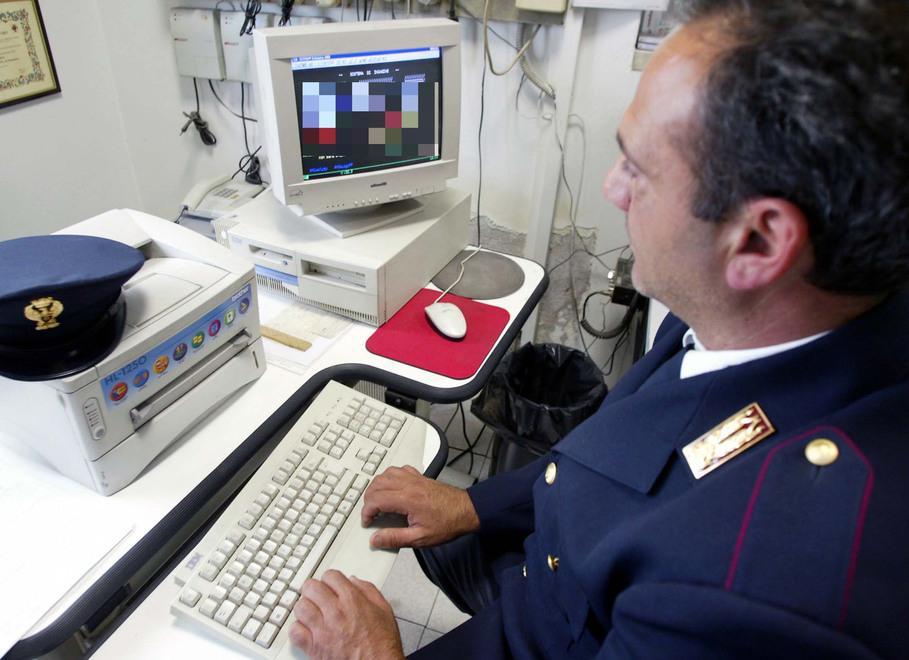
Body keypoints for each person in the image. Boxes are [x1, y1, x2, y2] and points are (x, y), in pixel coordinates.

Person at [288, 0, 909, 657]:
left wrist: (369, 653)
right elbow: (617, 462)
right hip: (550, 572)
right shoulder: (750, 315)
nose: (612, 189)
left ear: (757, 241)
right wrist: (471, 508)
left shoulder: (756, 592)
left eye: (638, 170)